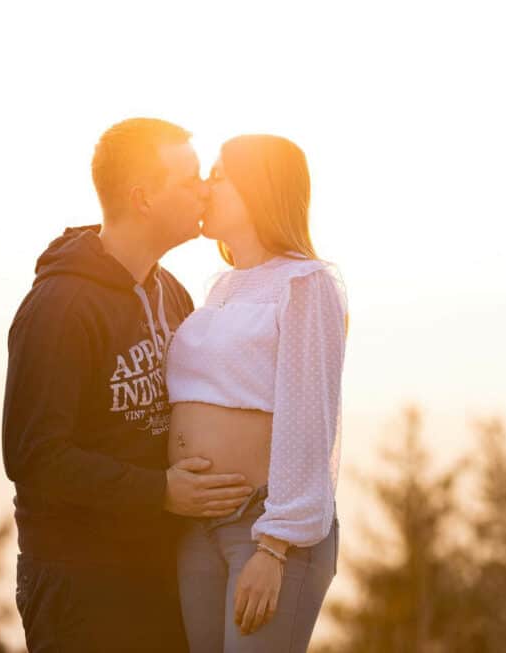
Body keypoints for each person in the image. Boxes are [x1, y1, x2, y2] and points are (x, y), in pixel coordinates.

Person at [2, 118, 255, 652]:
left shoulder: (174, 295)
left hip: (164, 571)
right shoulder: (59, 308)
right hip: (83, 584)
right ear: (143, 197)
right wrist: (160, 491)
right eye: (189, 179)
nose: (204, 189)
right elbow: (34, 457)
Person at [166, 134, 349, 652]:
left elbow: (308, 417)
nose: (206, 186)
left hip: (263, 526)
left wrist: (275, 546)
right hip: (198, 526)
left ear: (258, 189)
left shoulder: (305, 283)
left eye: (220, 175)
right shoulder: (221, 287)